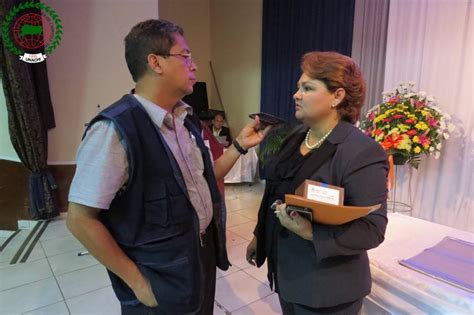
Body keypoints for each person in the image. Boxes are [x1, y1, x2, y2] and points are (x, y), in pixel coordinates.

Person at [66, 19, 270, 315]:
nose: (194, 66)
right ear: (155, 62)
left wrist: (238, 145)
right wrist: (137, 283)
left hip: (197, 258)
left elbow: (205, 180)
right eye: (185, 56)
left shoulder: (184, 120)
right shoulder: (115, 129)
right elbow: (80, 219)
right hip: (156, 273)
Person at [246, 51, 389, 315]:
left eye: (307, 88)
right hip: (288, 276)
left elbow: (372, 228)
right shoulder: (296, 137)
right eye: (298, 87)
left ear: (338, 96)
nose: (296, 95)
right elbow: (275, 192)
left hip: (327, 290)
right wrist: (260, 235)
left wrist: (311, 233)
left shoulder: (361, 152)